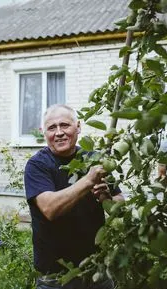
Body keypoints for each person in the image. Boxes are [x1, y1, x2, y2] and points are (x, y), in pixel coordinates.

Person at [24, 104, 124, 289]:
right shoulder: (37, 165)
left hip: (97, 270)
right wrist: (88, 181)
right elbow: (50, 208)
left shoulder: (95, 160)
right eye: (52, 128)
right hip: (56, 276)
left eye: (65, 125)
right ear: (44, 133)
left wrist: (107, 198)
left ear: (78, 127)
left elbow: (120, 204)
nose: (59, 132)